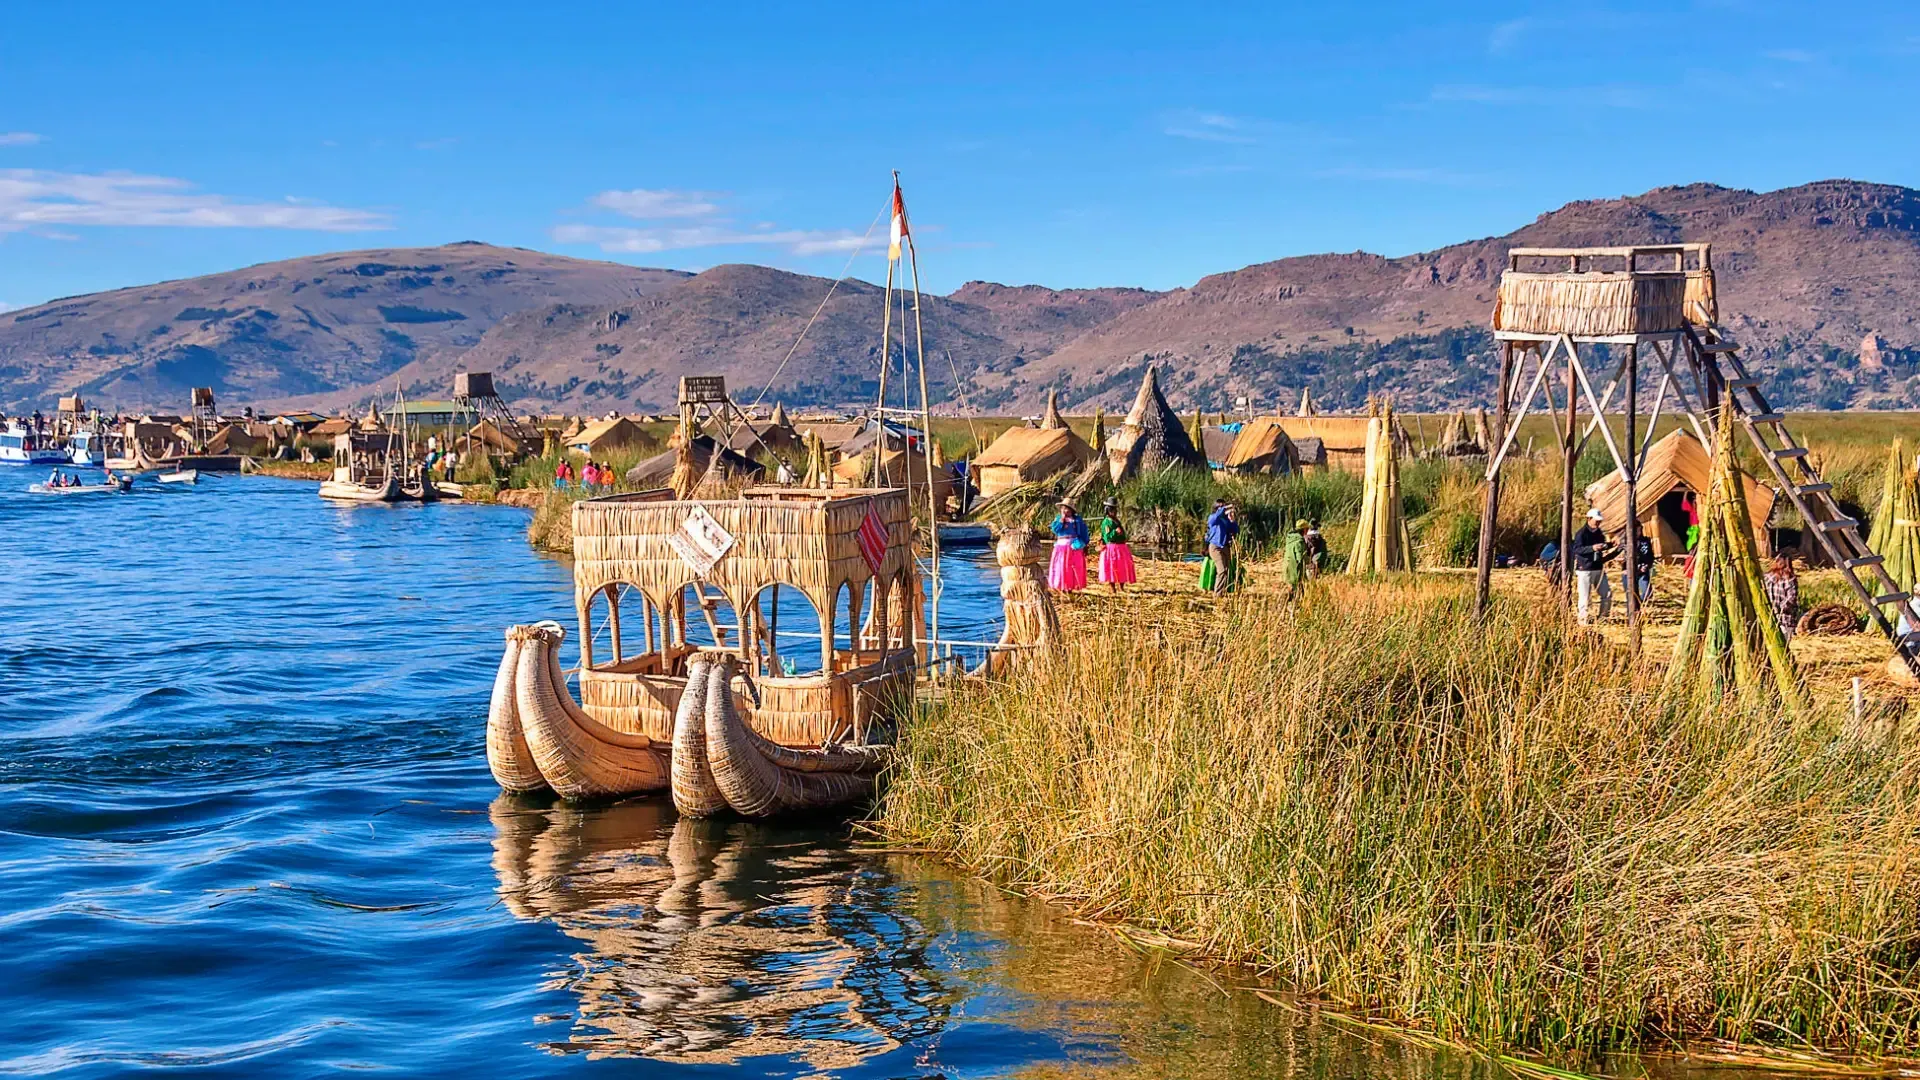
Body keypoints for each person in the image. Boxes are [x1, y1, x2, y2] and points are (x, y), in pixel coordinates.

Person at [1571, 507, 1618, 625]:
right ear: (1589, 519)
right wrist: (1592, 548)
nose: (1598, 523)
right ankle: (1583, 621)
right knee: (1585, 597)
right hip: (1585, 569)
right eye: (1596, 521)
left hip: (1598, 567)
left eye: (1599, 521)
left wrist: (1610, 545)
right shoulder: (1581, 534)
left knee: (1606, 594)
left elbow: (1601, 546)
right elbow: (1577, 549)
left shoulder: (1599, 533)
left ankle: (1603, 618)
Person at [1048, 501, 1090, 593]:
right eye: (1063, 508)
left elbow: (1084, 532)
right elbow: (1055, 530)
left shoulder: (1077, 520)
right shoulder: (1058, 519)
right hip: (1061, 548)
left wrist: (1085, 544)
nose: (1065, 510)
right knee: (1062, 567)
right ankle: (1062, 587)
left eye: (1067, 508)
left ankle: (1071, 587)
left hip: (1074, 547)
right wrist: (1061, 520)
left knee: (1072, 567)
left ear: (1071, 510)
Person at [1096, 497, 1136, 592]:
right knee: (1112, 567)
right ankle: (1112, 587)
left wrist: (1122, 535)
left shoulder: (1117, 521)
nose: (1113, 511)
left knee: (1122, 567)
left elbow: (1123, 534)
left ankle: (1122, 586)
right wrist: (1115, 532)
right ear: (1107, 510)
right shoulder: (1106, 522)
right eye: (1111, 509)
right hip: (1112, 548)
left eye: (1115, 509)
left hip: (1121, 548)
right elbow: (1107, 537)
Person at [1204, 499, 1239, 596]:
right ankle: (1217, 594)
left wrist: (1232, 520)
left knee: (1226, 570)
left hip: (1225, 547)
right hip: (1215, 547)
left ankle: (1223, 591)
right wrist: (1226, 507)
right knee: (1222, 570)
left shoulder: (1226, 520)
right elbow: (1217, 516)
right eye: (1220, 507)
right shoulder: (1212, 518)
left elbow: (1235, 530)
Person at [1764, 555, 1800, 641]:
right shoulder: (1789, 579)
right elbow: (1791, 599)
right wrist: (1780, 608)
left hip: (1768, 618)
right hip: (1785, 620)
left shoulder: (1766, 578)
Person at [1280, 518, 1309, 600]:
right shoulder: (1299, 541)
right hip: (1295, 567)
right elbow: (1300, 556)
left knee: (1292, 586)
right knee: (1299, 588)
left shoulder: (1290, 539)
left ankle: (1287, 602)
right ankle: (1293, 603)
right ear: (1304, 530)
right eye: (1307, 529)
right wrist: (1308, 561)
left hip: (1287, 565)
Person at [1625, 530, 1654, 604]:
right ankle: (1634, 609)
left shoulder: (1645, 541)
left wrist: (1648, 565)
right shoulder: (1625, 541)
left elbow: (1650, 555)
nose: (1638, 532)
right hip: (1630, 571)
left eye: (1639, 529)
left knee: (1647, 592)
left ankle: (1639, 603)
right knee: (1631, 594)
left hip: (1643, 570)